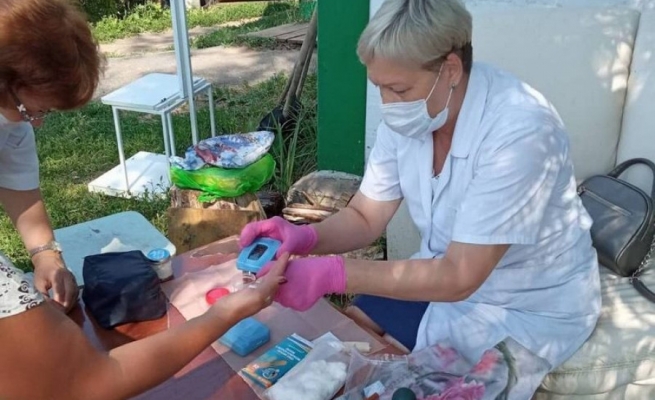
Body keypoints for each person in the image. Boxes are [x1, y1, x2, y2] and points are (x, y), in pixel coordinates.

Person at [241, 0, 601, 393]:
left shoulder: (521, 132)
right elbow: (365, 216)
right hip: (440, 274)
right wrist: (306, 237)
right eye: (380, 87)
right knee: (344, 344)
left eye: (398, 89)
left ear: (450, 70)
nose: (388, 104)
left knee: (389, 380)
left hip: (524, 303)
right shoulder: (416, 113)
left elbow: (460, 276)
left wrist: (332, 274)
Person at [0, 1, 289, 399]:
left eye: (43, 111)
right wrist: (227, 313)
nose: (36, 121)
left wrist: (45, 253)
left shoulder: (9, 118)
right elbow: (91, 382)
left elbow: (16, 182)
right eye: (30, 110)